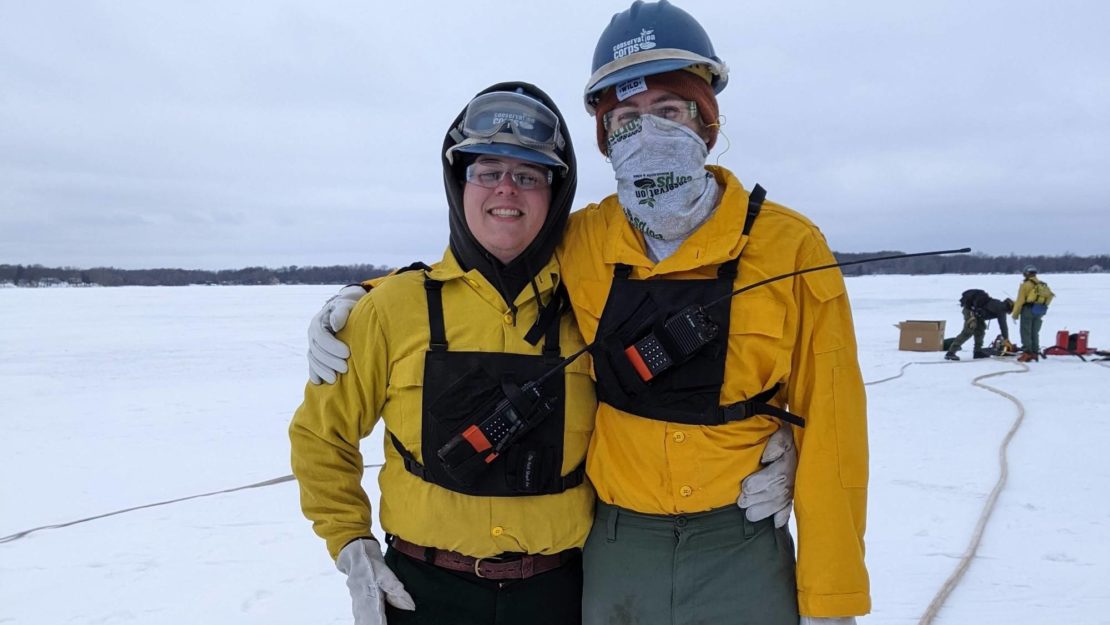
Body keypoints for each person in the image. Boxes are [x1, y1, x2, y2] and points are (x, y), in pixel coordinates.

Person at [304, 2, 866, 624]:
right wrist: (361, 297)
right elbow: (484, 263)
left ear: (707, 123)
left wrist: (827, 584)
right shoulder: (580, 246)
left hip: (715, 547)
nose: (648, 132)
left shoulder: (784, 248)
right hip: (586, 558)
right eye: (625, 118)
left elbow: (835, 420)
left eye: (670, 111)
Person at [290, 82, 597, 625]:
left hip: (562, 595)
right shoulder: (389, 310)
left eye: (528, 175)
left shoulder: (593, 304)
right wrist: (349, 539)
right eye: (487, 171)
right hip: (423, 594)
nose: (507, 189)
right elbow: (322, 436)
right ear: (459, 185)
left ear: (555, 196)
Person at [944, 289, 1014, 360]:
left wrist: (1006, 339)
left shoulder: (998, 304)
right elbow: (1003, 326)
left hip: (977, 314)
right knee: (968, 332)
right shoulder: (1001, 309)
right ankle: (951, 352)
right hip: (970, 311)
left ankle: (977, 351)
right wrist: (1006, 339)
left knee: (980, 330)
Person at [1011, 264, 1055, 362]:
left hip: (1028, 310)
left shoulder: (1025, 285)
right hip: (1039, 310)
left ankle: (1027, 353)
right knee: (1035, 332)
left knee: (1026, 332)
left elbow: (1020, 301)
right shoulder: (1042, 284)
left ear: (1026, 273)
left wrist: (1015, 314)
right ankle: (1035, 353)